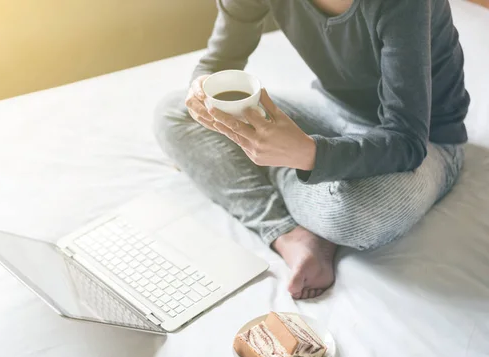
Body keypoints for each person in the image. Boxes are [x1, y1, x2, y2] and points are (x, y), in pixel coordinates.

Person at [153, 0, 469, 299]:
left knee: (354, 217)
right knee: (174, 113)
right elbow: (217, 65)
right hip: (333, 110)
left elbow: (406, 141)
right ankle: (287, 232)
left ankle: (272, 164)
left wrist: (303, 154)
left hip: (427, 139)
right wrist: (202, 92)